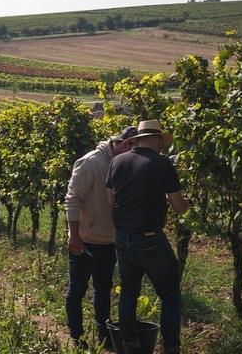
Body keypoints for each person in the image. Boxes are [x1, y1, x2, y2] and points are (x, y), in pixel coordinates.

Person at [105, 120, 189, 354]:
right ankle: (171, 347)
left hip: (123, 237)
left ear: (137, 140)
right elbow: (179, 207)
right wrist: (186, 203)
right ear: (159, 139)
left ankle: (129, 344)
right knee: (170, 294)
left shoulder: (117, 161)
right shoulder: (162, 164)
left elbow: (111, 202)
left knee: (129, 294)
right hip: (150, 239)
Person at [64, 125, 137, 349]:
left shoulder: (123, 165)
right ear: (125, 145)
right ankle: (77, 338)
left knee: (103, 289)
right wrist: (74, 236)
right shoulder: (91, 162)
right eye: (135, 150)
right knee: (76, 291)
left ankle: (103, 336)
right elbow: (72, 199)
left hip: (109, 241)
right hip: (85, 241)